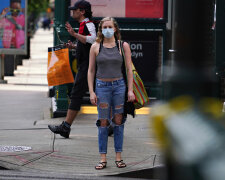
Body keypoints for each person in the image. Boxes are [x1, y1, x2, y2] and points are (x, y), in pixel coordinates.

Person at [87, 17, 135, 170]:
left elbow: (129, 69)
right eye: (104, 27)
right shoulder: (95, 47)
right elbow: (91, 70)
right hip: (102, 86)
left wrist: (130, 90)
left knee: (118, 121)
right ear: (101, 30)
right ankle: (102, 158)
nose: (107, 29)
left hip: (119, 86)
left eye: (110, 26)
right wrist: (91, 91)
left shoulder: (123, 45)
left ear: (115, 29)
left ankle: (119, 157)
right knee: (103, 121)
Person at [48, 0, 96, 138]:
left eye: (75, 9)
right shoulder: (83, 25)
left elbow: (93, 40)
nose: (72, 11)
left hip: (88, 66)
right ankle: (111, 124)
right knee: (94, 94)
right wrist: (75, 46)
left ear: (82, 11)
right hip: (86, 65)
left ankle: (66, 127)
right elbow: (86, 43)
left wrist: (75, 35)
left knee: (76, 94)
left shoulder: (89, 24)